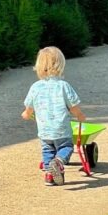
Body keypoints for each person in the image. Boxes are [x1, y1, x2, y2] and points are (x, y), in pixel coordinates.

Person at [21, 45, 88, 186]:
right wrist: (80, 116)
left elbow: (28, 108)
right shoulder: (63, 86)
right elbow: (73, 106)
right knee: (66, 148)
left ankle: (49, 176)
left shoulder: (35, 87)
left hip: (45, 130)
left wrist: (26, 114)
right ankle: (58, 162)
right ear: (60, 65)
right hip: (61, 129)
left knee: (48, 150)